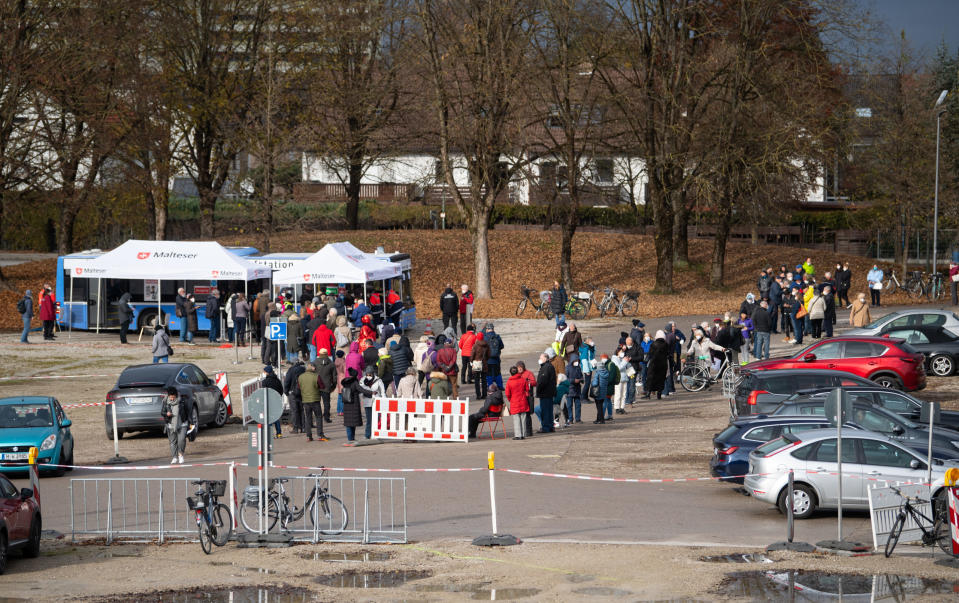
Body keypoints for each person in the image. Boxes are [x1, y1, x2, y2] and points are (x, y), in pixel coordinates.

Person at [161, 387, 191, 464]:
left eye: (173, 397)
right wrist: (166, 414)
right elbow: (162, 412)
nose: (172, 398)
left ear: (176, 395)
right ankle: (174, 457)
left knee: (181, 440)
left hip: (182, 423)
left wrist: (191, 422)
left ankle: (180, 455)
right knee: (172, 442)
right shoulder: (165, 401)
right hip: (170, 424)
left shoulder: (182, 401)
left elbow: (188, 411)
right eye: (170, 397)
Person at [359, 366, 385, 439]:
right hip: (367, 402)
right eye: (367, 374)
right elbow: (361, 391)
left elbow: (383, 391)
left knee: (377, 419)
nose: (368, 376)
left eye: (370, 374)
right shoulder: (362, 380)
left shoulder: (378, 380)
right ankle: (367, 435)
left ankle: (377, 434)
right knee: (369, 420)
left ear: (373, 374)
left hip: (377, 402)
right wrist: (363, 396)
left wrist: (384, 401)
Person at [505, 366, 530, 439]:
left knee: (516, 419)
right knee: (523, 418)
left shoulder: (509, 382)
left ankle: (518, 435)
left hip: (514, 402)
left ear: (510, 373)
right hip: (523, 401)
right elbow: (527, 389)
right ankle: (523, 434)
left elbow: (507, 394)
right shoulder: (523, 380)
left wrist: (511, 400)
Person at [535, 353, 557, 432]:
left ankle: (546, 427)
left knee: (545, 411)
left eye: (541, 358)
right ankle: (550, 426)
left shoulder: (546, 367)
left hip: (545, 393)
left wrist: (538, 389)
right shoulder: (548, 366)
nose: (540, 359)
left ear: (546, 358)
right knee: (549, 411)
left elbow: (543, 381)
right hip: (549, 392)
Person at [646, 331, 671, 400]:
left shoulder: (653, 344)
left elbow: (650, 354)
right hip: (663, 364)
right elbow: (668, 354)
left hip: (654, 364)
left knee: (650, 379)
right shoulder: (666, 344)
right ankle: (659, 395)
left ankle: (648, 394)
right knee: (661, 379)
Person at [341, 368, 363, 445]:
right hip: (354, 405)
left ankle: (350, 438)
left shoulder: (345, 382)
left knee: (348, 423)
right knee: (353, 423)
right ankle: (351, 439)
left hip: (346, 405)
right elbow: (361, 390)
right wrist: (371, 392)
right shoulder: (355, 383)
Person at [284, 360, 306, 434]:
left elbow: (287, 381)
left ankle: (295, 428)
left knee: (294, 410)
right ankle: (303, 427)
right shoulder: (303, 369)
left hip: (293, 392)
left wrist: (286, 392)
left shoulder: (291, 370)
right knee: (302, 410)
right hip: (302, 392)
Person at [261, 365, 284, 438]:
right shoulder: (277, 380)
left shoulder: (265, 381)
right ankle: (279, 433)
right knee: (276, 417)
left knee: (269, 418)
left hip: (268, 401)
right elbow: (281, 390)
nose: (264, 372)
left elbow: (263, 392)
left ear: (267, 372)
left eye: (264, 371)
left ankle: (269, 434)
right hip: (276, 400)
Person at [484, 323, 505, 390]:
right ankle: (500, 386)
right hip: (496, 359)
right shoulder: (497, 336)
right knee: (497, 373)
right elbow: (502, 346)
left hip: (488, 359)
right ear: (493, 329)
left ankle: (490, 386)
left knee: (489, 374)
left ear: (487, 329)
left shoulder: (485, 337)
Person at [590, 356, 609, 423]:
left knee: (599, 407)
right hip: (604, 392)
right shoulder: (606, 372)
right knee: (600, 405)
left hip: (598, 392)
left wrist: (592, 382)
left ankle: (601, 420)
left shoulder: (598, 373)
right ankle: (598, 419)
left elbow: (595, 383)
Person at [470, 332, 489, 400]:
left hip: (476, 364)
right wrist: (485, 360)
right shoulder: (486, 345)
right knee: (484, 381)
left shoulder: (475, 345)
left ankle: (478, 395)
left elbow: (472, 355)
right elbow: (489, 355)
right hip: (484, 364)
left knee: (477, 381)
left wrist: (471, 361)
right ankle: (484, 395)